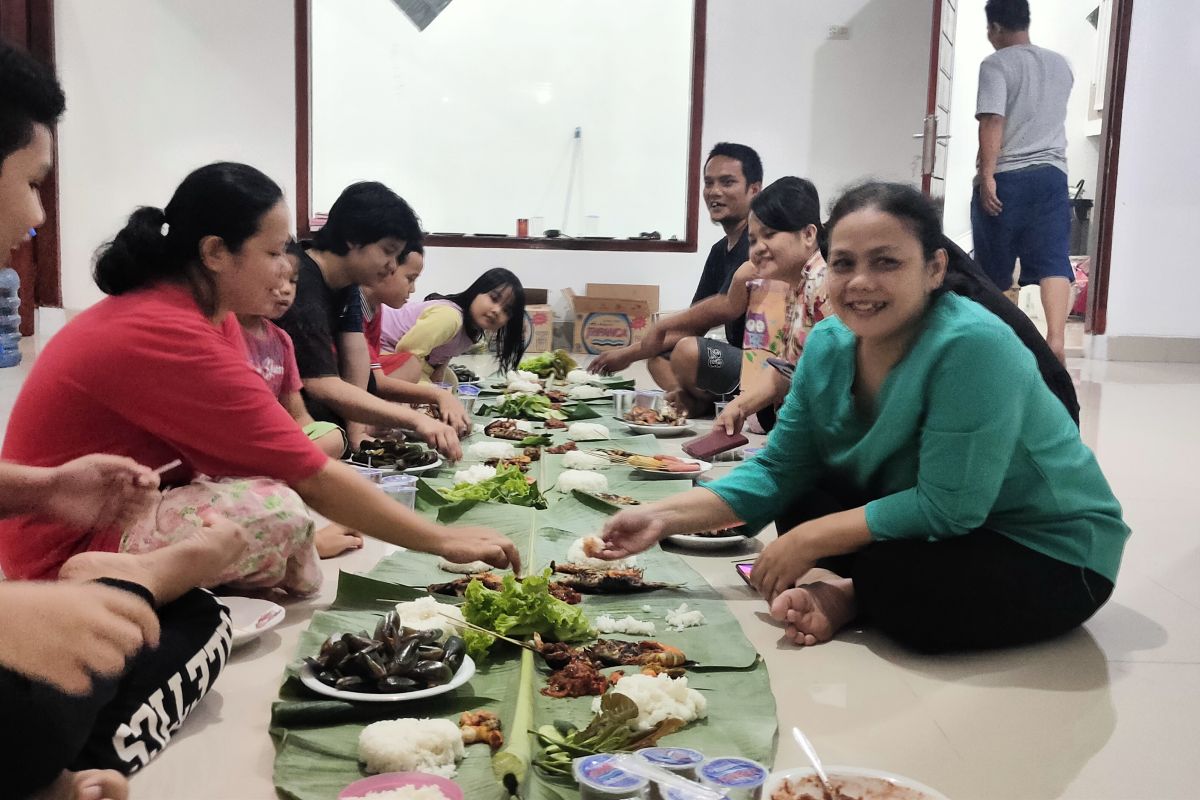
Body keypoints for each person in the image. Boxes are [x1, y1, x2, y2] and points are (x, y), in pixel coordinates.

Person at [597, 182, 1128, 654]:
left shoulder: (971, 345)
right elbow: (780, 469)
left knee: (898, 585)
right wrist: (660, 517)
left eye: (886, 262)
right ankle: (854, 588)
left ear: (935, 268)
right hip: (940, 521)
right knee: (803, 499)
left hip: (1046, 547)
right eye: (845, 263)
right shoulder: (829, 343)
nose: (859, 282)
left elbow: (950, 508)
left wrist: (808, 543)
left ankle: (851, 595)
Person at [0, 162, 521, 598]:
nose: (285, 271)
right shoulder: (164, 328)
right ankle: (119, 581)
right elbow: (309, 472)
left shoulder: (215, 318)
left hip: (134, 503)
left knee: (278, 498)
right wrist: (438, 539)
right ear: (214, 253)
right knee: (276, 513)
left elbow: (288, 438)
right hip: (58, 548)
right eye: (274, 253)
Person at [0, 39, 249, 798]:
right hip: (33, 576)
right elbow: (290, 451)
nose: (40, 215)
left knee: (188, 623)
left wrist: (43, 489)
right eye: (32, 182)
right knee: (176, 632)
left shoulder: (216, 321)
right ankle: (146, 582)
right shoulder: (156, 323)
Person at [276, 182, 462, 458]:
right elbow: (321, 384)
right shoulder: (303, 282)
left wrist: (357, 434)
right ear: (353, 237)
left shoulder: (348, 283)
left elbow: (356, 358)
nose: (392, 265)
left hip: (329, 422)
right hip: (301, 425)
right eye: (388, 250)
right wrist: (417, 419)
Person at [639, 175, 828, 426]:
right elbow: (786, 367)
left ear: (808, 234)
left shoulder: (821, 284)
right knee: (663, 358)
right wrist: (740, 407)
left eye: (769, 235)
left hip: (822, 426)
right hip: (780, 396)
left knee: (687, 349)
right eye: (752, 240)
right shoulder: (795, 286)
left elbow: (829, 381)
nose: (758, 248)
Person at [589, 143, 762, 409]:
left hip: (760, 365)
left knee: (687, 351)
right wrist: (632, 352)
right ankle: (698, 402)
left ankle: (706, 400)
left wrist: (632, 350)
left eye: (727, 182)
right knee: (658, 357)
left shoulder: (757, 243)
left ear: (754, 189)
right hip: (736, 361)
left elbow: (723, 307)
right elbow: (693, 323)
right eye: (709, 182)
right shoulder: (719, 250)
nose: (715, 191)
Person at [971, 0, 1075, 364]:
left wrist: (987, 176)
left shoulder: (995, 64)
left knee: (993, 266)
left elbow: (993, 121)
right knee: (1053, 259)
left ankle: (998, 341)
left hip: (1008, 176)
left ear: (995, 27)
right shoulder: (1061, 65)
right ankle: (1057, 340)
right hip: (1052, 175)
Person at [239, 256, 348, 459]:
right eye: (278, 279)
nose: (287, 289)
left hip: (276, 437)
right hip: (240, 436)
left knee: (331, 436)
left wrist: (303, 441)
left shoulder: (281, 341)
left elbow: (298, 415)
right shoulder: (223, 331)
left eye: (293, 280)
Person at [360, 243, 471, 434]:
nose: (412, 290)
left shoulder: (375, 309)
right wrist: (436, 397)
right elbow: (373, 378)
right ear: (387, 266)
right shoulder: (451, 316)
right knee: (411, 364)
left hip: (368, 376)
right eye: (410, 279)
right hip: (352, 388)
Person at [378, 266, 526, 383]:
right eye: (494, 298)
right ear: (476, 291)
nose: (496, 310)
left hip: (402, 356)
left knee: (450, 383)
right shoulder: (450, 317)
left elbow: (443, 352)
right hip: (377, 343)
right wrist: (433, 393)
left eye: (506, 310)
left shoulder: (472, 331)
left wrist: (439, 373)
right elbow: (406, 352)